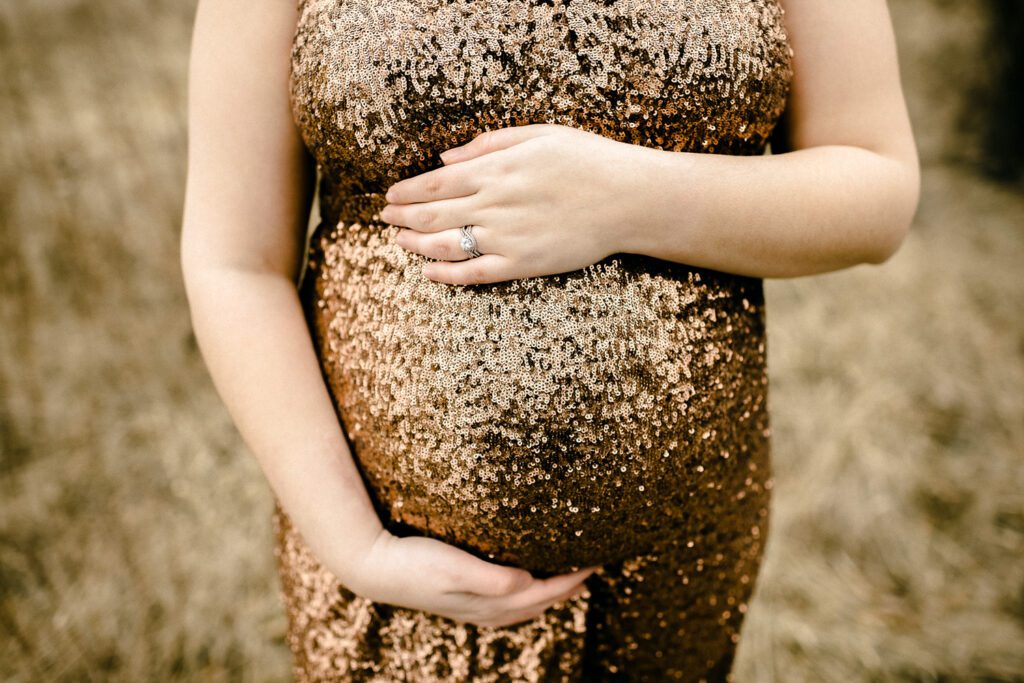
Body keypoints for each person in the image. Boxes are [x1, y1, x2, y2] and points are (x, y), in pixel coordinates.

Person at [180, 0, 919, 680]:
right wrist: (356, 548)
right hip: (392, 567)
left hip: (675, 567)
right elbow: (235, 260)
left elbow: (876, 188)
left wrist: (626, 199)